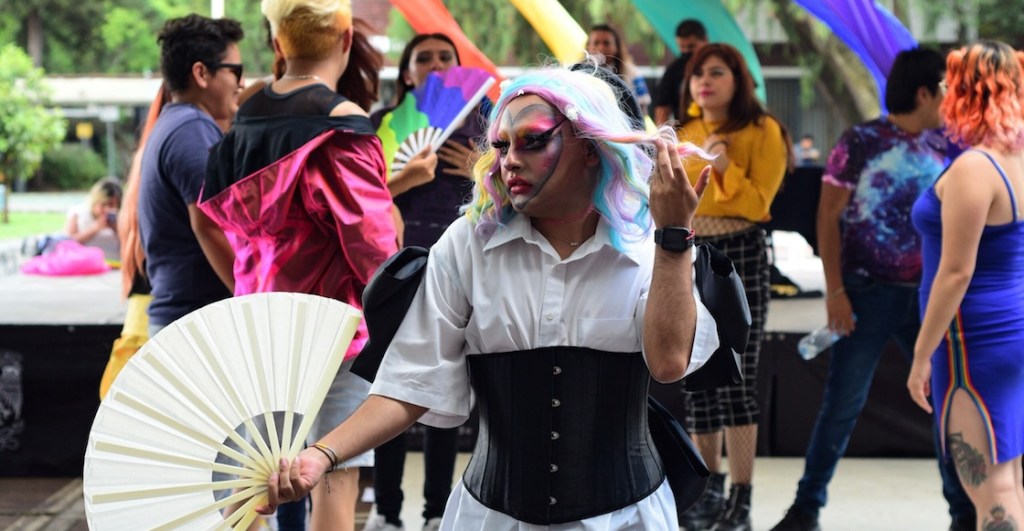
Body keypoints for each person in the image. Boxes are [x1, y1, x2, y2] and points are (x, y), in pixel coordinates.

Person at [254, 63, 722, 530]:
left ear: (591, 148)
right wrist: (321, 454)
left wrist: (675, 238)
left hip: (626, 518)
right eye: (501, 145)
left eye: (532, 140)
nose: (509, 160)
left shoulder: (649, 246)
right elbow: (409, 384)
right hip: (493, 517)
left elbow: (668, 361)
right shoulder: (468, 244)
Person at [197, 0, 398, 530]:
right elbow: (374, 250)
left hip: (260, 327)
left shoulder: (244, 116)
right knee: (334, 477)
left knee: (251, 481)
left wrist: (244, 289)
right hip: (334, 330)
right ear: (346, 38)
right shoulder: (341, 126)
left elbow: (208, 219)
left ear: (279, 42)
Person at [769, 47, 975, 531]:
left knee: (949, 405)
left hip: (931, 298)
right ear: (924, 92)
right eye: (945, 88)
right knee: (842, 404)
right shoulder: (860, 141)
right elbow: (827, 216)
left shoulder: (951, 144)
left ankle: (964, 514)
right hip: (866, 293)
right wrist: (836, 293)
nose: (952, 97)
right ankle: (805, 510)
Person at [364, 32, 481, 531]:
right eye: (423, 59)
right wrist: (406, 179)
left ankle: (437, 511)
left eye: (445, 58)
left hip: (460, 268)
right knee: (390, 387)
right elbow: (363, 202)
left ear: (459, 67)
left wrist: (482, 167)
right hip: (397, 270)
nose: (435, 66)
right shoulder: (381, 126)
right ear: (406, 72)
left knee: (445, 391)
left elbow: (516, 192)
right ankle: (386, 512)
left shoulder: (486, 122)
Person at [909, 40, 1024, 531]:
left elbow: (955, 272)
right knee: (1008, 477)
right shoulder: (1015, 159)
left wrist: (921, 355)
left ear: (963, 92)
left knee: (993, 491)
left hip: (971, 341)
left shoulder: (976, 167)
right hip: (1009, 329)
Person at [675, 42, 789, 531]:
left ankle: (741, 501)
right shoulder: (685, 132)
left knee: (738, 375)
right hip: (690, 253)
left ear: (739, 80)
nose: (705, 81)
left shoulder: (764, 130)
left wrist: (722, 164)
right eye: (699, 73)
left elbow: (760, 203)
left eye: (717, 72)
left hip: (742, 251)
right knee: (697, 376)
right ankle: (707, 493)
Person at [137, 14, 241, 336]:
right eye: (235, 71)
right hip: (196, 325)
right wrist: (255, 300)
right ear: (201, 73)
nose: (240, 83)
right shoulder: (192, 130)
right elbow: (210, 224)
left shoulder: (177, 124)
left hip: (186, 321)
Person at [586, 24, 653, 118]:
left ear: (616, 47)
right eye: (596, 43)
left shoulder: (632, 73)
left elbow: (643, 109)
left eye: (606, 43)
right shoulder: (579, 73)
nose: (601, 47)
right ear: (588, 46)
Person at [653, 19, 707, 125]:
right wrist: (665, 136)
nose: (686, 51)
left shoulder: (721, 63)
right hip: (687, 131)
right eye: (682, 47)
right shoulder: (674, 70)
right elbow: (662, 109)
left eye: (691, 46)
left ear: (705, 40)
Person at [64, 177, 122, 262]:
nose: (108, 210)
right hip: (85, 264)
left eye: (112, 206)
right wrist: (94, 229)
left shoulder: (119, 217)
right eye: (104, 204)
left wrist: (117, 228)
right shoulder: (78, 213)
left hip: (114, 263)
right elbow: (67, 242)